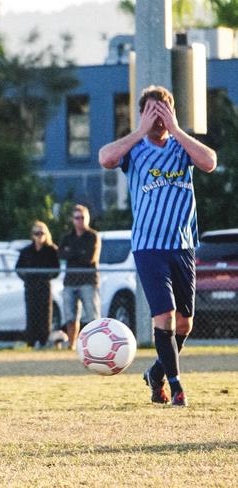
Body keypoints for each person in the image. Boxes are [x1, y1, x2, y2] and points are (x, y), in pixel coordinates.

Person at [99, 85, 217, 407]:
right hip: (149, 247)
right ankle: (175, 386)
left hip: (182, 245)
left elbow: (209, 162)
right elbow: (106, 157)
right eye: (152, 112)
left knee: (185, 322)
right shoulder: (135, 150)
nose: (158, 119)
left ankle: (156, 373)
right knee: (163, 316)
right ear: (142, 115)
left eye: (163, 111)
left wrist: (177, 129)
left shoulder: (180, 147)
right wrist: (138, 131)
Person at [58, 204, 101, 350]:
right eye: (77, 218)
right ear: (73, 219)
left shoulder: (93, 236)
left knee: (92, 316)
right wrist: (78, 252)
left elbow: (89, 258)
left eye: (83, 217)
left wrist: (72, 252)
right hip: (70, 281)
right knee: (70, 316)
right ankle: (72, 344)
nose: (80, 220)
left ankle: (95, 345)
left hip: (88, 281)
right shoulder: (67, 237)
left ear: (88, 218)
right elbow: (61, 254)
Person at [16, 221, 60, 349]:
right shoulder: (26, 251)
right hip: (30, 287)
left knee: (45, 316)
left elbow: (56, 269)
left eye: (41, 233)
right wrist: (27, 278)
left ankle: (44, 341)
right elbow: (18, 268)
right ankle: (30, 342)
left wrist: (45, 277)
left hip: (44, 287)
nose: (39, 236)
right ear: (32, 235)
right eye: (36, 233)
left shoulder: (51, 250)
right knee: (31, 314)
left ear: (46, 234)